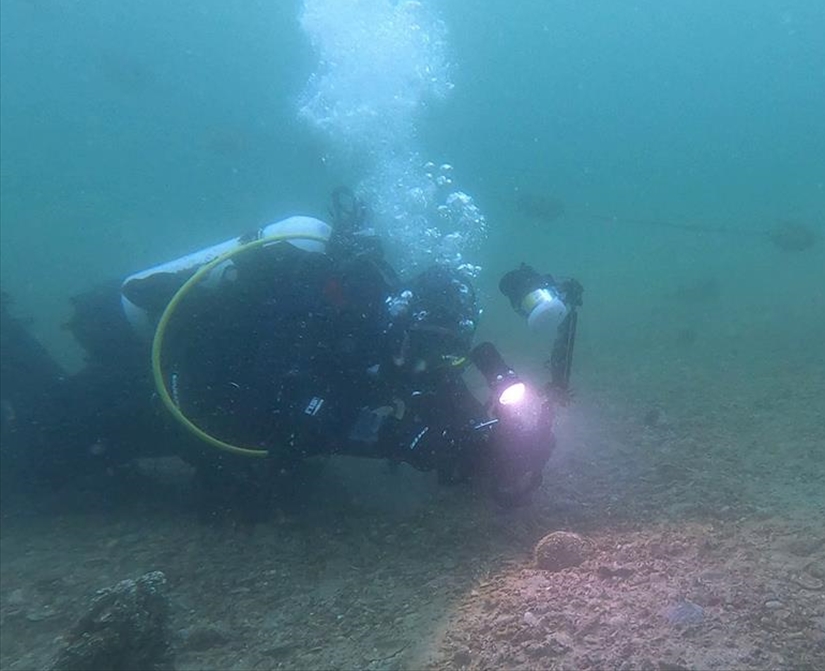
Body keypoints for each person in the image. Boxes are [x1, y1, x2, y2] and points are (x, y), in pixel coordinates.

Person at [0, 189, 581, 508]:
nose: (435, 365)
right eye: (430, 348)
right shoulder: (314, 317)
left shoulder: (402, 333)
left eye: (449, 349)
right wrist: (409, 442)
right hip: (173, 384)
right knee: (32, 456)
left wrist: (498, 438)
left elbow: (441, 415)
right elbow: (279, 407)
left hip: (222, 392)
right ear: (402, 316)